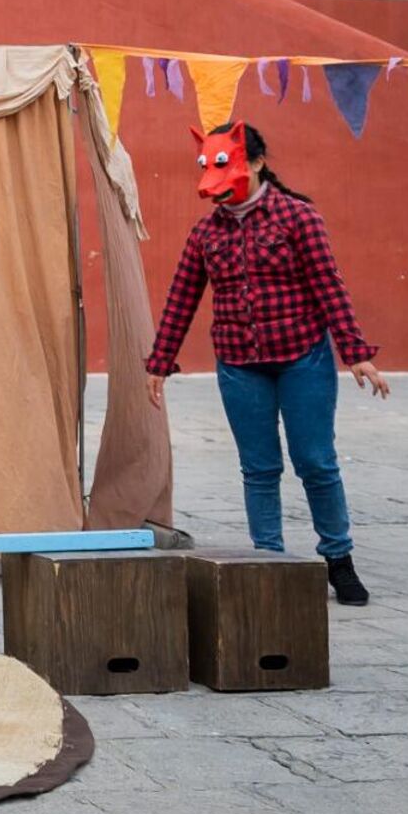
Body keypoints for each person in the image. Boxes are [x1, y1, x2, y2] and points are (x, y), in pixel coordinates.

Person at [145, 122, 387, 606]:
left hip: (303, 357)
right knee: (258, 469)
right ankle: (269, 564)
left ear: (254, 163)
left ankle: (337, 559)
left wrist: (355, 353)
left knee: (315, 462)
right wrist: (160, 360)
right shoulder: (205, 233)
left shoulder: (298, 218)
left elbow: (328, 284)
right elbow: (182, 297)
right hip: (239, 363)